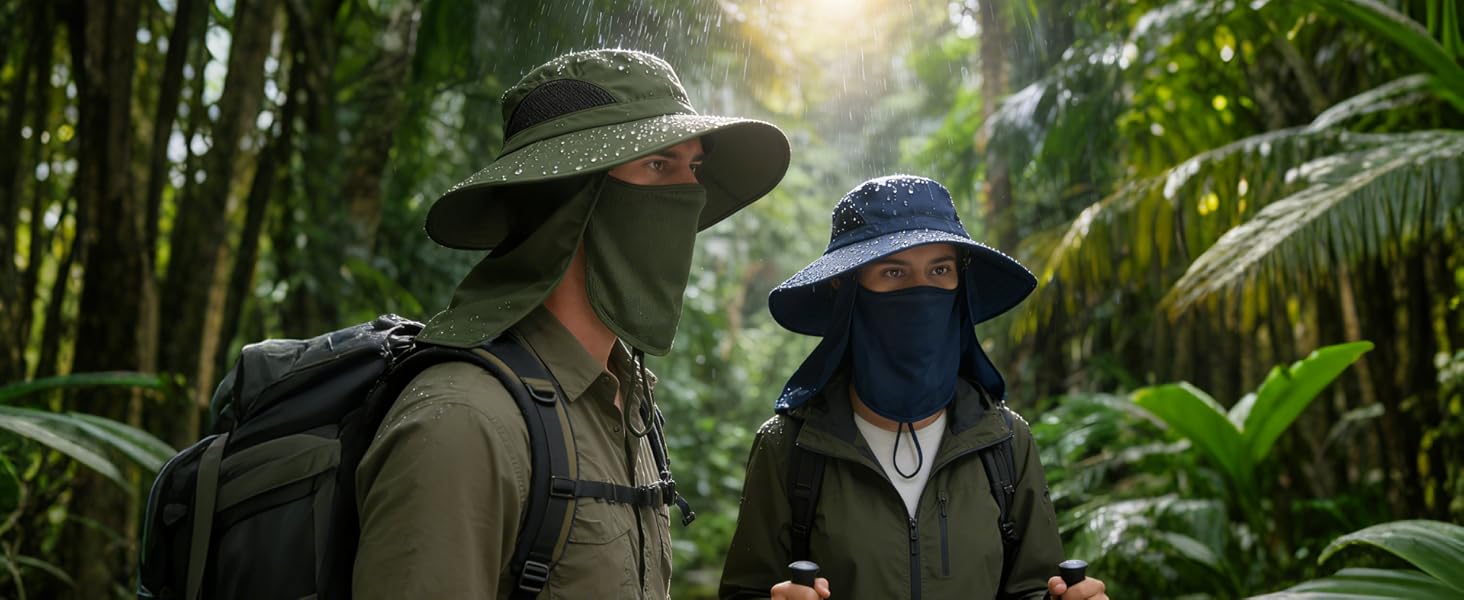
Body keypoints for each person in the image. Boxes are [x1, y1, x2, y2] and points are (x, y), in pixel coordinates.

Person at [352, 49, 789, 598]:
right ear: (569, 195)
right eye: (659, 165)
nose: (692, 194)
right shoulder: (466, 421)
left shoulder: (627, 405)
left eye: (694, 168)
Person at [719, 175, 1108, 600]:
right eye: (893, 271)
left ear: (960, 284)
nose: (920, 291)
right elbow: (746, 590)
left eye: (940, 270)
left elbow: (1033, 586)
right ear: (846, 287)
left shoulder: (1005, 440)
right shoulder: (790, 446)